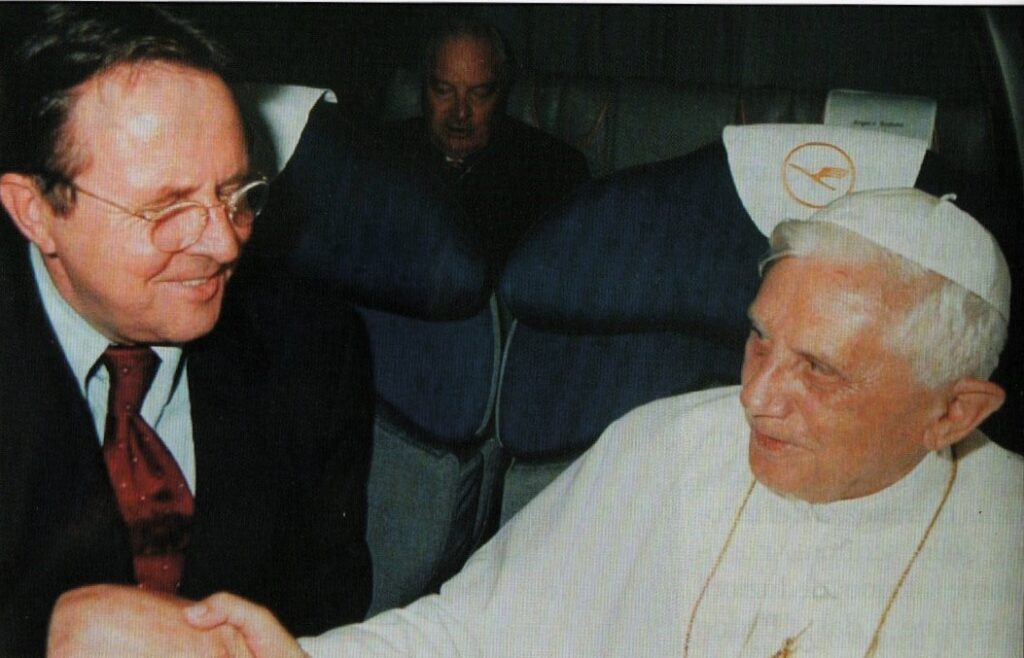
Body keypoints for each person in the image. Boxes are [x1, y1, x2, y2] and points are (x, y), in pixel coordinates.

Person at [47, 187, 1023, 656]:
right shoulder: (665, 445)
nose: (756, 398)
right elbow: (474, 634)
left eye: (820, 370)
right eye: (759, 340)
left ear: (953, 411)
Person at [0, 5, 374, 656]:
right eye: (168, 209)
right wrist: (42, 638)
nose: (224, 243)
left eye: (237, 194)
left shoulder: (315, 347)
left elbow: (326, 604)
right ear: (35, 211)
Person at [380, 17, 591, 272]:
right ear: (424, 87)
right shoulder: (378, 153)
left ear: (502, 92)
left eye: (479, 93)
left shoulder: (554, 170)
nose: (460, 113)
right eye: (444, 90)